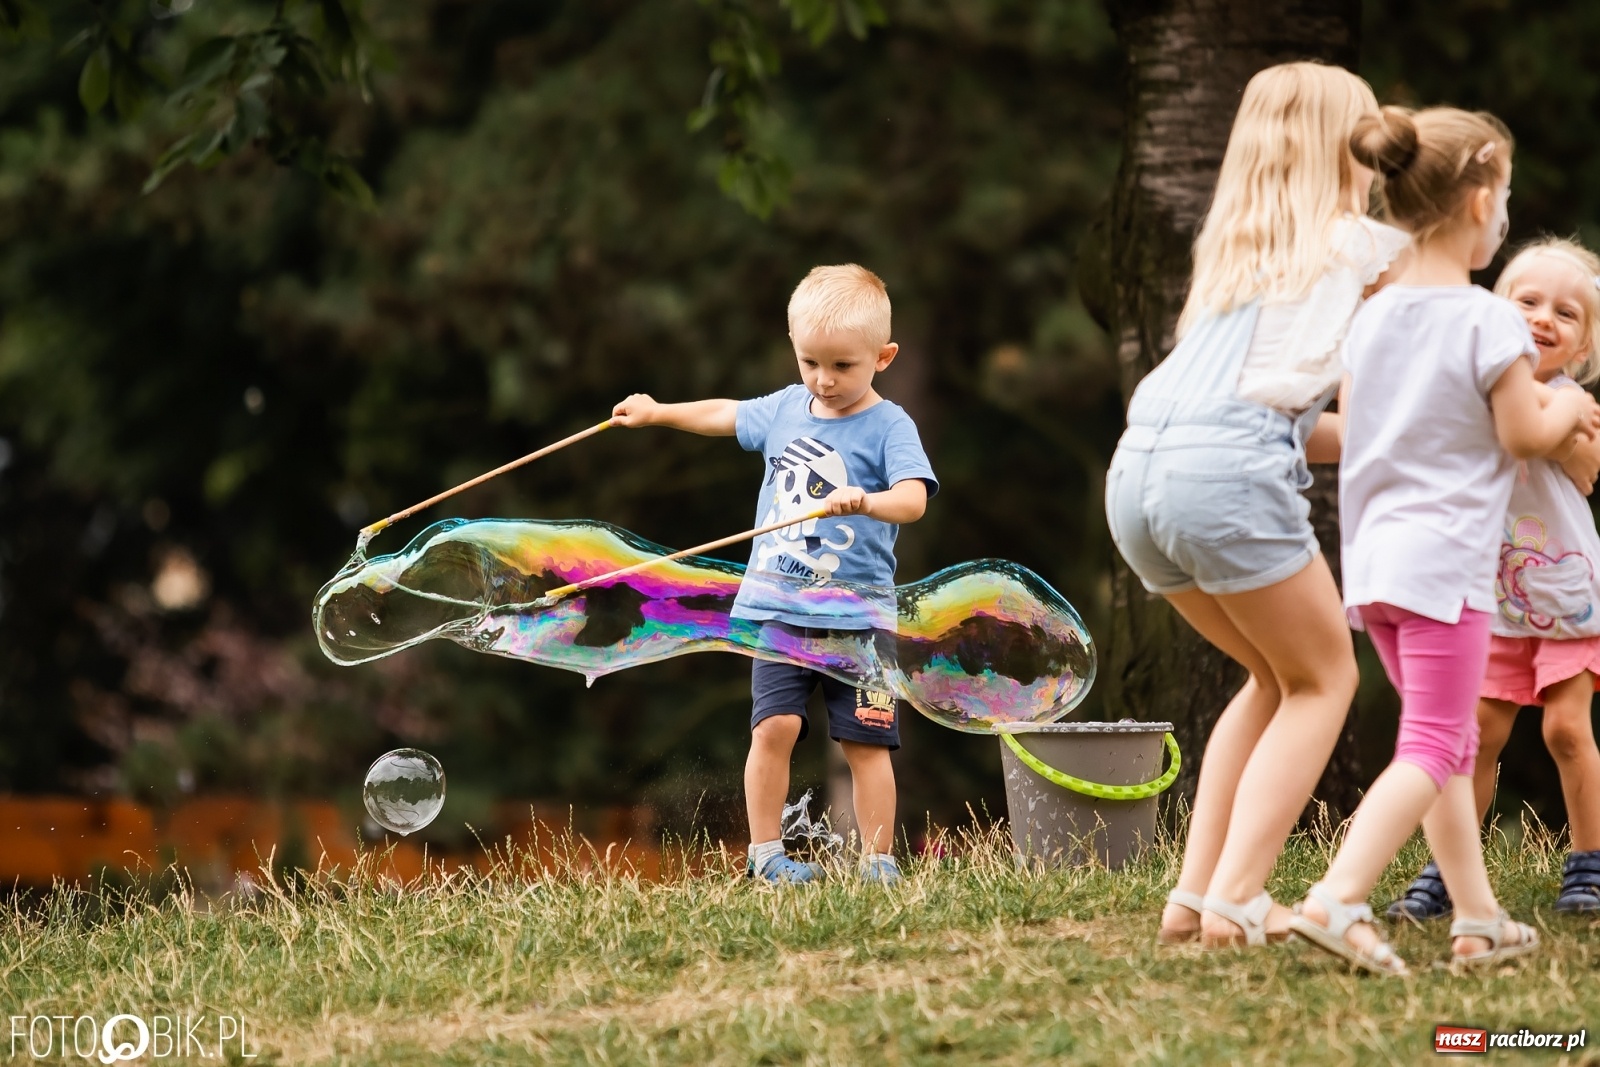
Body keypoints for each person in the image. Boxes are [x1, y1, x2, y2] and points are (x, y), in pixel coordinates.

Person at [1288, 108, 1600, 975]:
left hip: (1377, 566)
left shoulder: (1375, 317)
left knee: (1452, 743)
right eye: (1502, 200)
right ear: (1477, 203)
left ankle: (1479, 916)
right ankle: (1336, 895)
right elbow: (1526, 435)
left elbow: (1362, 428)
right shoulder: (1484, 322)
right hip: (1449, 571)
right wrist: (1570, 406)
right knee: (1432, 744)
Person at [1105, 62, 1407, 946]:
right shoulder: (1366, 250)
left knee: (1275, 678)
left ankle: (1193, 902)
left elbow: (1297, 422)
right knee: (1327, 678)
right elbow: (1398, 389)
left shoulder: (1231, 262)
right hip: (1224, 480)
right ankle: (1242, 896)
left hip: (1140, 477)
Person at [610, 264, 937, 886]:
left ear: (884, 357)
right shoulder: (787, 408)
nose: (824, 379)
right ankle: (766, 857)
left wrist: (866, 499)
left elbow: (913, 500)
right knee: (775, 726)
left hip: (859, 617)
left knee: (867, 743)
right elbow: (725, 414)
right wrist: (657, 413)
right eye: (810, 362)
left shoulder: (890, 425)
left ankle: (877, 864)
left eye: (843, 366)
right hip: (778, 608)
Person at [1387, 238, 1600, 922]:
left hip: (1567, 598)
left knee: (1568, 731)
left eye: (1566, 312)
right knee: (1474, 735)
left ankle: (1589, 866)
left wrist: (1541, 405)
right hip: (1491, 599)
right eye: (1528, 301)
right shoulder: (1470, 390)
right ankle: (1450, 869)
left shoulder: (1573, 399)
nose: (1544, 318)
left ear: (1583, 347)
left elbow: (1585, 462)